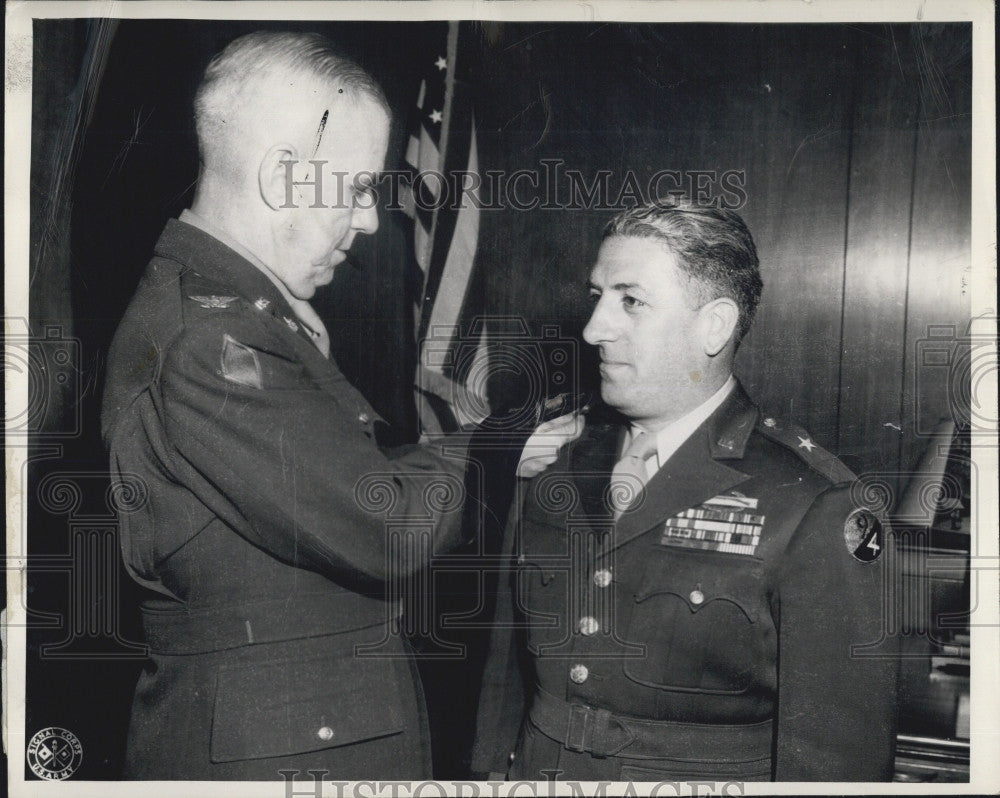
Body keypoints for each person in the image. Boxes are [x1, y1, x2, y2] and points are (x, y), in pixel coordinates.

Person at [102, 31, 471, 780]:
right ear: (282, 176)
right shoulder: (214, 338)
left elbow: (325, 476)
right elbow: (388, 528)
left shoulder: (237, 310)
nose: (370, 222)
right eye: (360, 187)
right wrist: (486, 448)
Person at [471, 200, 899, 782]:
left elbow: (838, 761)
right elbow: (504, 680)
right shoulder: (555, 456)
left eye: (632, 301)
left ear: (714, 325)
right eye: (597, 296)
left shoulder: (813, 502)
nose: (594, 329)